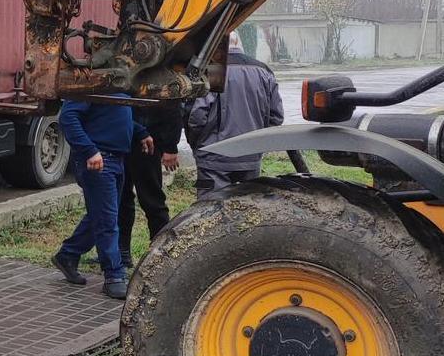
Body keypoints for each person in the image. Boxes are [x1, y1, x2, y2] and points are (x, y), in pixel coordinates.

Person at [51, 96, 152, 299]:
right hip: (98, 160)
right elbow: (68, 117)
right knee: (107, 220)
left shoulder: (119, 83)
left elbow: (112, 116)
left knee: (102, 215)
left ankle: (68, 255)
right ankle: (114, 276)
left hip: (116, 159)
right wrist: (90, 151)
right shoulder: (92, 84)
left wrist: (140, 132)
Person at [185, 31, 284, 197]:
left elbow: (196, 117)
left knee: (211, 211)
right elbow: (276, 116)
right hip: (250, 157)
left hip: (213, 158)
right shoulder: (263, 71)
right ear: (240, 44)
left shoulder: (211, 70)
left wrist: (198, 145)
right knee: (248, 210)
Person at [118, 103, 181, 267]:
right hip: (125, 138)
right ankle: (122, 252)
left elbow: (172, 106)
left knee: (152, 200)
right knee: (122, 198)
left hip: (149, 142)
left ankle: (163, 253)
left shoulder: (160, 79)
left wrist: (170, 147)